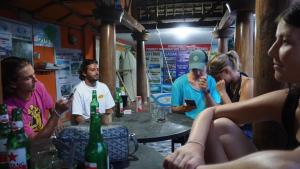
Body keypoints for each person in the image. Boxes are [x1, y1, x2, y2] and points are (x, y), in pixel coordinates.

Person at [164, 2, 300, 169]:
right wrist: (194, 144)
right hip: (207, 126)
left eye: (285, 41)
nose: (271, 51)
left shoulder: (245, 84)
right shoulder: (289, 98)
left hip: (248, 136)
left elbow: (288, 163)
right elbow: (213, 112)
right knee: (218, 126)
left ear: (226, 71)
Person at [1, 57, 70, 140]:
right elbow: (34, 141)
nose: (35, 80)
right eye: (28, 78)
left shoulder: (38, 86)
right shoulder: (10, 109)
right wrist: (57, 114)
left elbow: (51, 107)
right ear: (13, 84)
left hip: (47, 137)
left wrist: (57, 120)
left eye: (34, 74)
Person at [207, 51, 254, 138]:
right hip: (234, 129)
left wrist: (223, 93)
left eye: (217, 78)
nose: (217, 81)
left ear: (226, 71)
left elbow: (241, 121)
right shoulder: (229, 84)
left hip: (248, 133)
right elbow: (222, 110)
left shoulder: (248, 84)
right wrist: (206, 94)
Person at [171, 49, 221, 120]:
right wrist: (183, 108)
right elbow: (174, 109)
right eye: (194, 69)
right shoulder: (178, 83)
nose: (197, 73)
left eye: (200, 69)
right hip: (186, 124)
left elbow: (216, 109)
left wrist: (206, 93)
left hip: (208, 122)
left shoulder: (212, 81)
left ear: (206, 65)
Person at [72, 59, 115, 125]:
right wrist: (93, 126)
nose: (97, 72)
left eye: (97, 69)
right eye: (92, 70)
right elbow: (78, 117)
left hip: (103, 124)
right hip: (87, 126)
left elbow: (109, 109)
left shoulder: (103, 87)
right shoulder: (78, 90)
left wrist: (106, 120)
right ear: (84, 73)